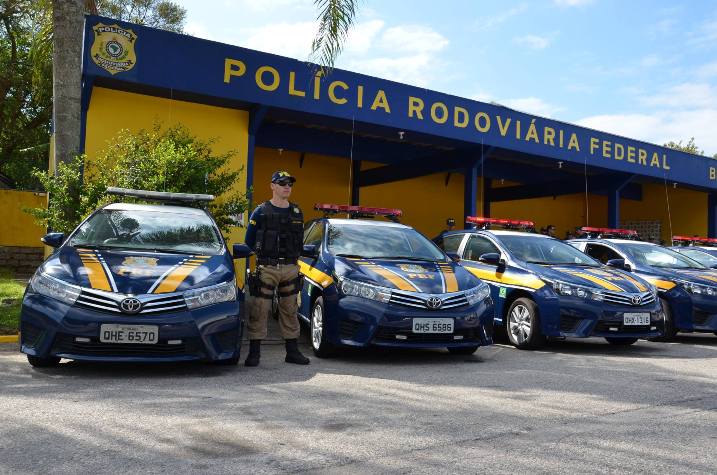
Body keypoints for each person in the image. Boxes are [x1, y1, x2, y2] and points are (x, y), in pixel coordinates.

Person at [243, 170, 310, 366]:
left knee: (290, 309)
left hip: (290, 267)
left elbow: (299, 242)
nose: (287, 187)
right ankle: (254, 353)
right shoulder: (260, 211)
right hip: (267, 268)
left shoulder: (297, 212)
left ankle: (292, 352)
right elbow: (249, 240)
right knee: (259, 309)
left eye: (290, 184)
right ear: (272, 186)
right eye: (282, 183)